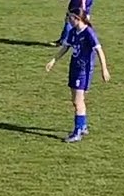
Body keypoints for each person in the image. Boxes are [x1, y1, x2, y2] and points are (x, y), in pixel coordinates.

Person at [46, 11, 111, 142]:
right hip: (74, 68)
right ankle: (83, 125)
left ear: (77, 18)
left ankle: (77, 132)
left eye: (69, 17)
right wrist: (54, 60)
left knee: (78, 102)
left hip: (83, 71)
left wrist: (104, 69)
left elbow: (99, 50)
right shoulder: (73, 32)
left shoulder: (88, 33)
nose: (68, 19)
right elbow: (65, 48)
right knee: (76, 100)